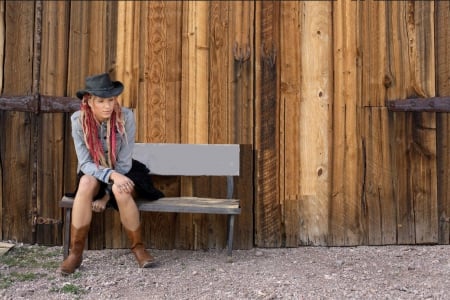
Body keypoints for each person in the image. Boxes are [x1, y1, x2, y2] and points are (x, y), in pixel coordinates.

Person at [59, 72, 164, 275]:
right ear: (89, 101)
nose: (108, 106)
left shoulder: (126, 117)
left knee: (121, 190)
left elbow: (124, 163)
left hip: (125, 171)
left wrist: (107, 194)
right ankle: (75, 253)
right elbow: (85, 163)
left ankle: (138, 249)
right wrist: (111, 176)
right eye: (101, 101)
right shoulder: (78, 121)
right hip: (96, 171)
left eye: (111, 100)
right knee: (86, 183)